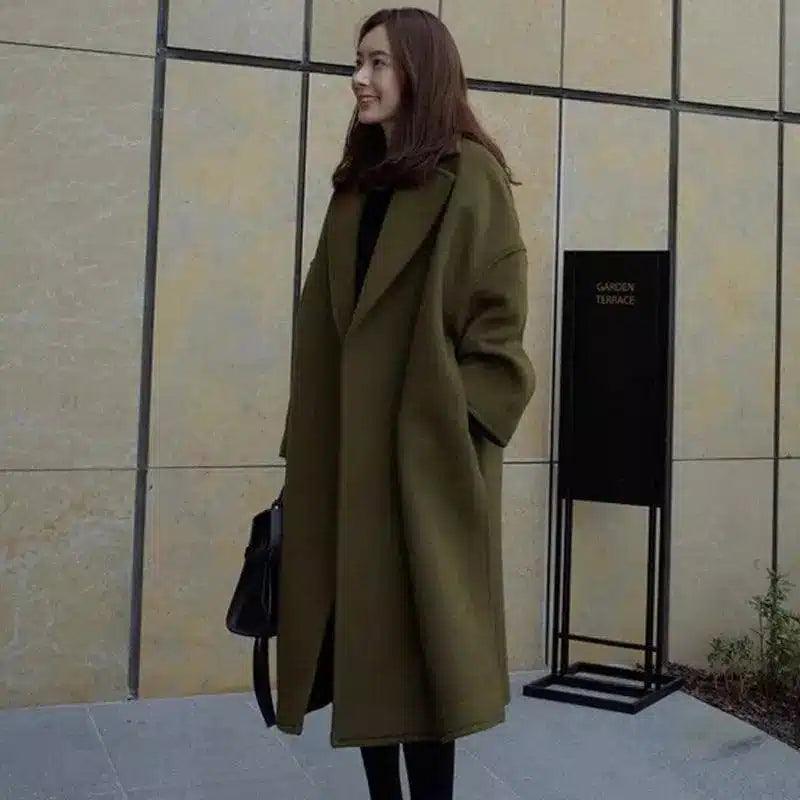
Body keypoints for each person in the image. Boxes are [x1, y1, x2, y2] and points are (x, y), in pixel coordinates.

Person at [275, 7, 536, 799]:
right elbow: (325, 327)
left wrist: (452, 429)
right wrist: (306, 452)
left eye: (378, 62)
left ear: (421, 72)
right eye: (358, 61)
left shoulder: (470, 178)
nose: (359, 78)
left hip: (425, 467)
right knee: (366, 659)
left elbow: (500, 333)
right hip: (348, 464)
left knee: (426, 668)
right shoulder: (355, 189)